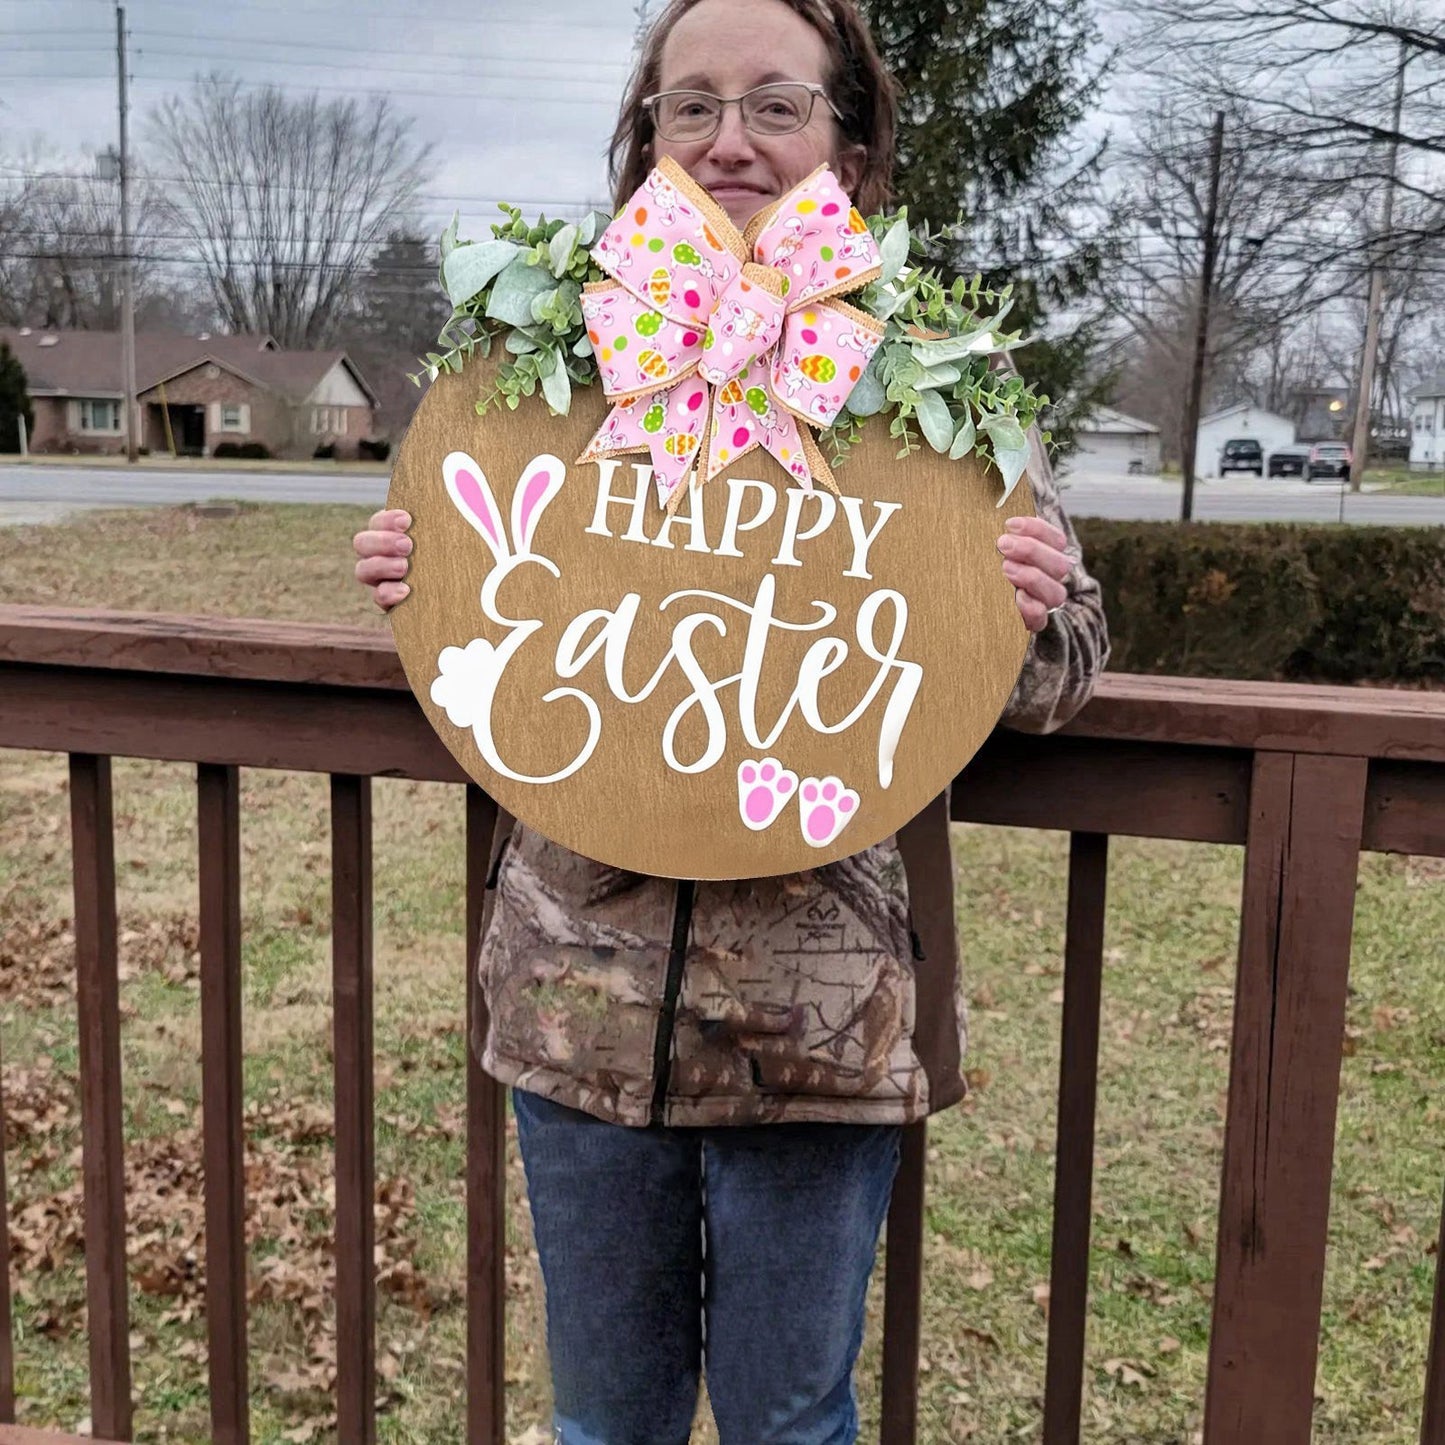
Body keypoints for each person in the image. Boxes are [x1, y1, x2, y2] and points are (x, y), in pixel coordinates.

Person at [354, 2, 1108, 1440]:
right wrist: (415, 573)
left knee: (787, 1424)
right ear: (647, 133)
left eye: (773, 104)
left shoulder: (924, 376)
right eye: (688, 106)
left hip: (815, 1027)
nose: (729, 140)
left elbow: (1066, 661)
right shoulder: (549, 357)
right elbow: (493, 605)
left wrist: (1023, 609)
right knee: (604, 1425)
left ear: (849, 133)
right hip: (575, 1002)